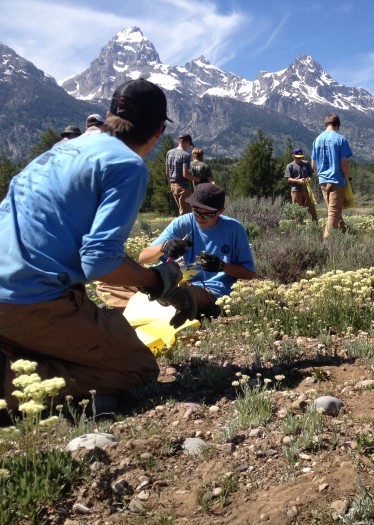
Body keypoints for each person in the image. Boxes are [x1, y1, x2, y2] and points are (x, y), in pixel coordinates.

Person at [0, 78, 195, 413]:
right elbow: (99, 262)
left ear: (108, 115)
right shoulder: (127, 165)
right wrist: (158, 281)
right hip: (26, 298)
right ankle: (11, 386)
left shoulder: (61, 149)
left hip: (15, 290)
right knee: (137, 368)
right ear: (158, 131)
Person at [138, 183, 256, 318]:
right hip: (178, 281)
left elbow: (249, 273)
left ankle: (166, 296)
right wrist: (164, 246)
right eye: (196, 212)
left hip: (212, 290)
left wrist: (222, 266)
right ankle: (165, 295)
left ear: (220, 211)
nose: (200, 218)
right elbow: (143, 257)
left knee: (186, 293)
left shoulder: (234, 229)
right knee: (139, 276)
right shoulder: (182, 223)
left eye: (207, 215)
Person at [311, 113, 353, 239]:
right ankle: (326, 244)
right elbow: (344, 163)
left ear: (326, 124)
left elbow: (313, 165)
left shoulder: (316, 140)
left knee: (334, 212)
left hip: (323, 181)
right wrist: (348, 177)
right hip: (336, 180)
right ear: (338, 125)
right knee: (334, 214)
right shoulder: (340, 139)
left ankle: (347, 237)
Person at [166, 133, 197, 215]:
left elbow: (167, 172)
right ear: (186, 142)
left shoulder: (169, 153)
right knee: (187, 214)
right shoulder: (186, 155)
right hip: (183, 187)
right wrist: (198, 179)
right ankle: (186, 228)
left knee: (181, 210)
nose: (188, 147)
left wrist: (171, 183)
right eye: (189, 145)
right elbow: (185, 174)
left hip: (173, 186)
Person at [285, 148, 318, 222]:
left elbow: (311, 175)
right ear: (293, 156)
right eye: (297, 157)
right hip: (296, 191)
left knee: (312, 210)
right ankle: (298, 227)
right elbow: (289, 179)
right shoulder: (290, 166)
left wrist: (309, 179)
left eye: (300, 157)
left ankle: (315, 226)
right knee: (297, 211)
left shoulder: (306, 164)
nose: (299, 159)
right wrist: (297, 181)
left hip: (307, 190)